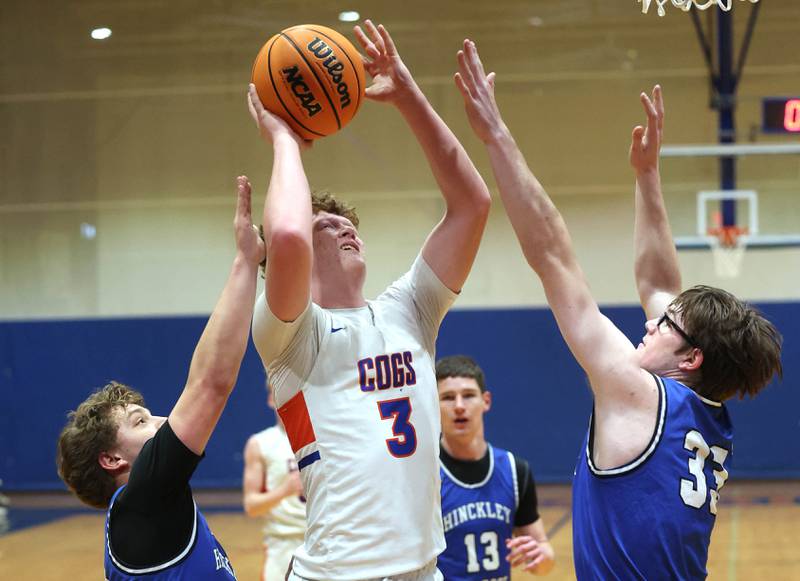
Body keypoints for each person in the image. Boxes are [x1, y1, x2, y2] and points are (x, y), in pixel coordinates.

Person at [453, 41, 783, 579]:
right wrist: (647, 176)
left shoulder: (636, 392)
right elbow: (658, 282)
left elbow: (554, 257)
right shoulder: (706, 416)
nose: (649, 323)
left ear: (692, 357)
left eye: (665, 325)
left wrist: (496, 137)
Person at [247, 20, 492, 581]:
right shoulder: (288, 336)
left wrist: (408, 95)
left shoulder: (408, 309)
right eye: (326, 224)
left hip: (426, 570)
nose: (345, 227)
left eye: (348, 222)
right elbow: (283, 238)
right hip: (336, 574)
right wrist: (286, 138)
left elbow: (471, 205)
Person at [56, 176, 265, 580]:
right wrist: (245, 261)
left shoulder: (147, 514)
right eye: (140, 422)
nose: (163, 419)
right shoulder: (143, 503)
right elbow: (210, 383)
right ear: (112, 459)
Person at [436, 355, 555, 580]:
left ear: (486, 401)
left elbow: (544, 559)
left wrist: (540, 556)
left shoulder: (515, 470)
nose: (459, 406)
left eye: (469, 395)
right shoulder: (426, 474)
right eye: (448, 398)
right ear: (433, 405)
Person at [242, 379, 306, 580]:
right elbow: (251, 506)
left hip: (325, 541)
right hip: (282, 545)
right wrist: (284, 491)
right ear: (271, 399)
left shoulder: (324, 439)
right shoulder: (260, 443)